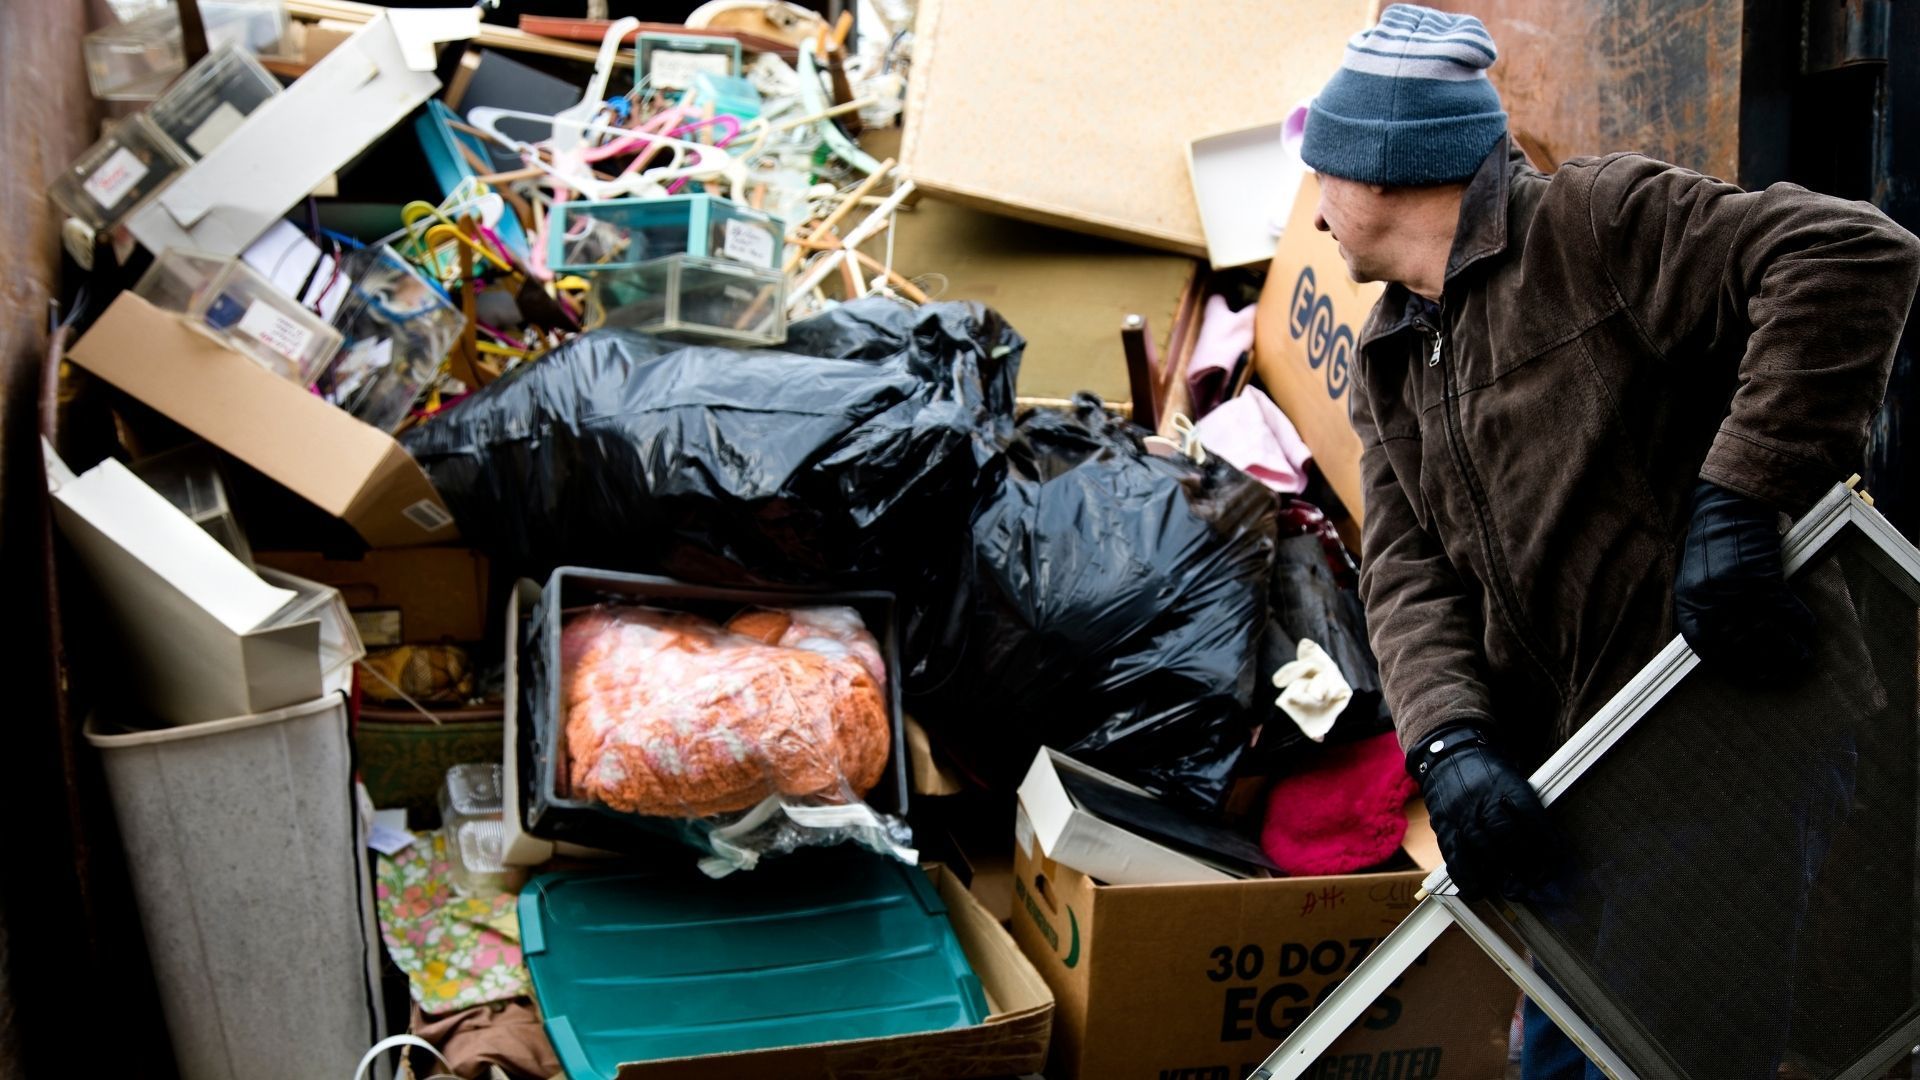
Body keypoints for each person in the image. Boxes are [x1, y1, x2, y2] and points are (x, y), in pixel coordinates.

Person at [1297, 5, 1920, 1078]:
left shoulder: (1592, 225)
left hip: (1722, 749)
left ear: (1385, 168)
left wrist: (1740, 497)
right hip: (1576, 782)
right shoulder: (1392, 350)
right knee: (1569, 1057)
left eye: (1323, 175)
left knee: (1646, 1063)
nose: (1312, 215)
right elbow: (1406, 576)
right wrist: (1450, 747)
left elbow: (1850, 253)